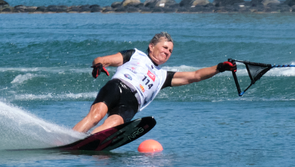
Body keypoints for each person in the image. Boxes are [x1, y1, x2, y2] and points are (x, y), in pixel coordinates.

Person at [72, 32, 237, 134]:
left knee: (111, 125)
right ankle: (66, 140)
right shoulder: (135, 55)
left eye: (170, 51)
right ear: (151, 46)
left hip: (131, 104)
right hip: (117, 87)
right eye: (164, 47)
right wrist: (98, 65)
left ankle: (87, 142)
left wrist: (219, 67)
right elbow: (102, 60)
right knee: (95, 116)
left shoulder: (162, 76)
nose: (167, 52)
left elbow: (194, 75)